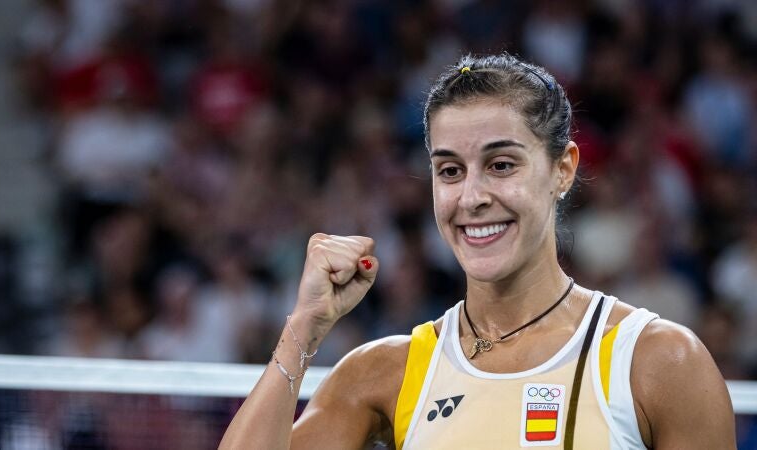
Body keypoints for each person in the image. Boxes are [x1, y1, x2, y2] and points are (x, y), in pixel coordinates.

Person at [219, 54, 736, 449]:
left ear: (563, 169)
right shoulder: (384, 373)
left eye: (501, 165)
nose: (471, 197)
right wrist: (304, 327)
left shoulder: (656, 362)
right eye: (450, 171)